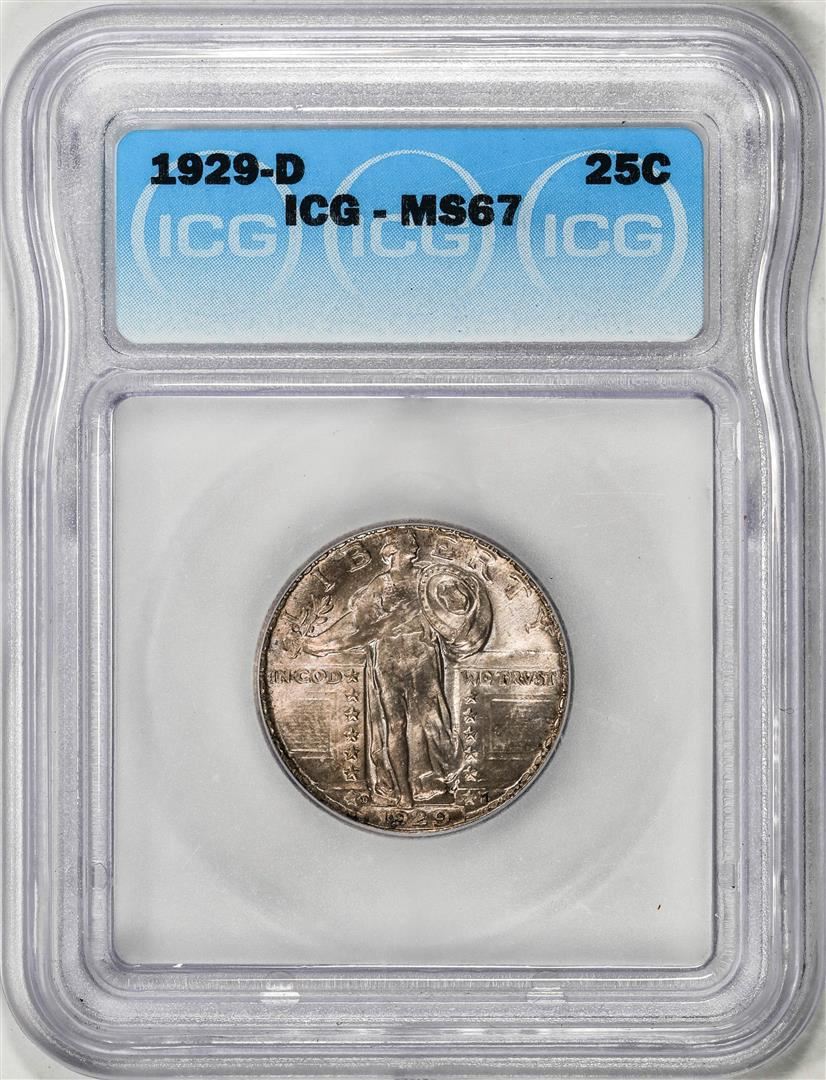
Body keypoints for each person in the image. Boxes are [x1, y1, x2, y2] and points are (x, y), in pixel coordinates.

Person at [303, 530, 490, 808]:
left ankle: (435, 779)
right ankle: (404, 793)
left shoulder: (428, 578)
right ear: (391, 552)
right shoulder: (381, 584)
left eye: (413, 546)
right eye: (407, 546)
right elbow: (356, 622)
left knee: (432, 721)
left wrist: (455, 600)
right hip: (389, 661)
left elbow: (459, 605)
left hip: (423, 658)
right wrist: (323, 642)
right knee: (395, 724)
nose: (413, 549)